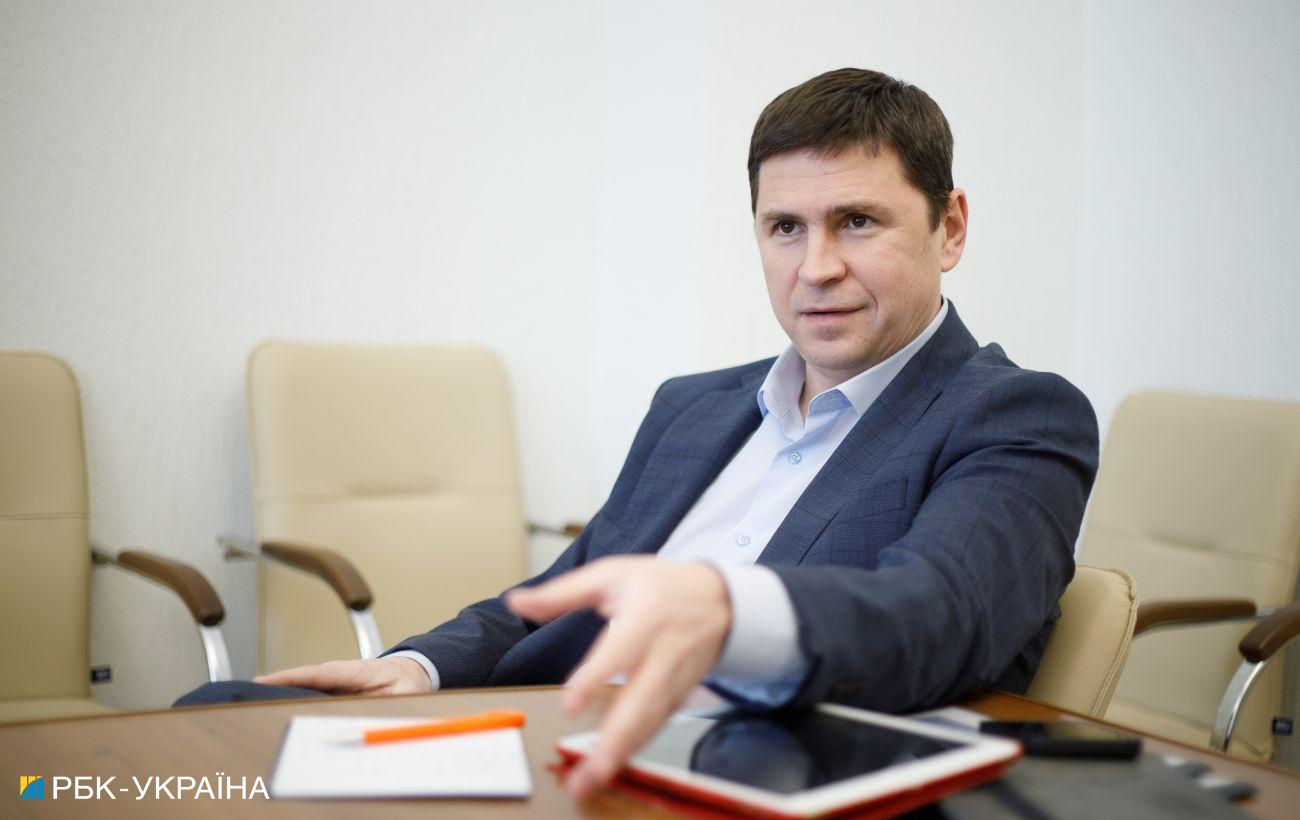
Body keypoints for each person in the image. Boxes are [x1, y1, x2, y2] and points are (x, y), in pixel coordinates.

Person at [177, 67, 1098, 799]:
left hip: (743, 782)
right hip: (549, 747)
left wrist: (728, 609)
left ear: (950, 228)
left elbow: (939, 616)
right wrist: (421, 668)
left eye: (857, 222)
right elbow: (555, 598)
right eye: (785, 227)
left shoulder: (1015, 414)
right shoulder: (693, 407)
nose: (815, 267)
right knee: (214, 722)